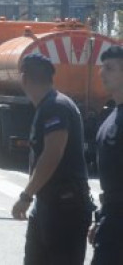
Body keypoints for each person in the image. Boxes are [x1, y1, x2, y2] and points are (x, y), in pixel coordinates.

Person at [10, 53, 93, 265]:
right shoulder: (50, 104)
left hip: (64, 208)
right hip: (50, 204)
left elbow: (52, 153)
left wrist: (26, 196)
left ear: (24, 78)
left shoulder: (55, 106)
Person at [90, 45, 123, 264]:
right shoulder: (111, 116)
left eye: (109, 68)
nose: (102, 73)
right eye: (103, 67)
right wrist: (101, 218)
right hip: (111, 221)